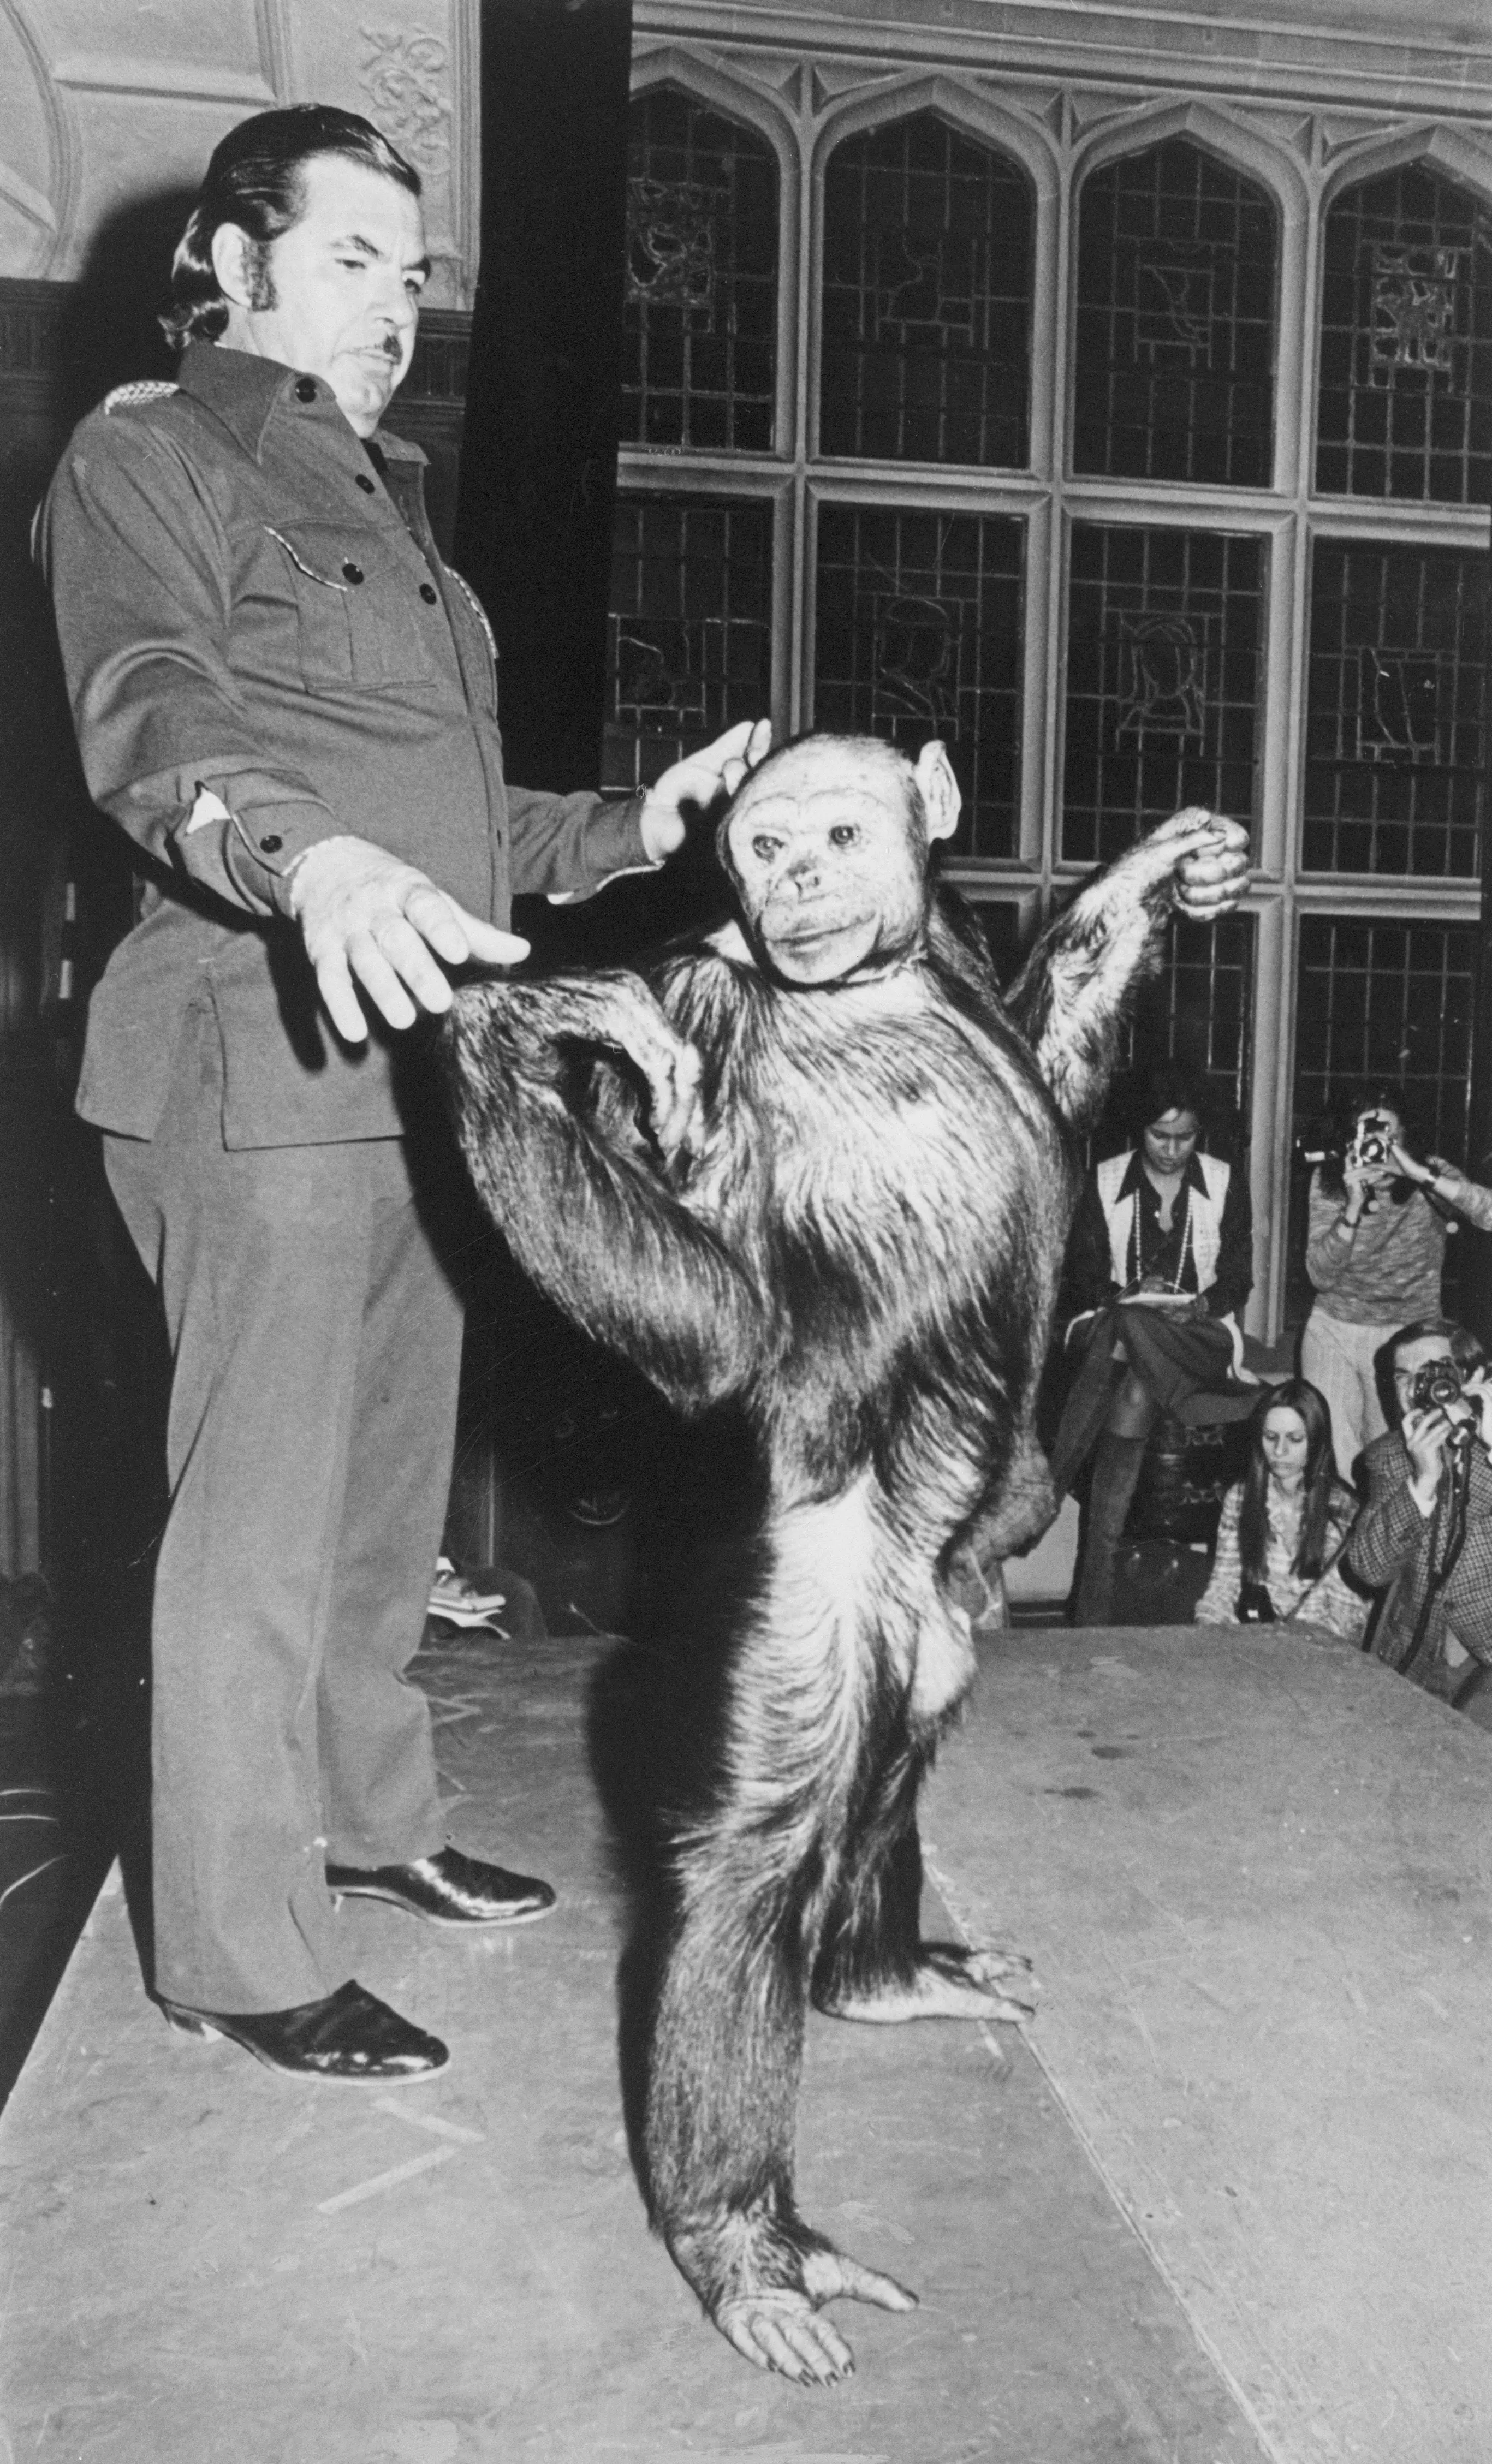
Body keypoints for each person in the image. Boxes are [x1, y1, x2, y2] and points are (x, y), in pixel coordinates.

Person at [37, 104, 769, 2084]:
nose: (393, 308)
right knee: (256, 1528)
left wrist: (641, 819)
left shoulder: (398, 511)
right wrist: (308, 863)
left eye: (410, 273)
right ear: (235, 255)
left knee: (380, 1520)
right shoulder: (149, 452)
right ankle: (237, 1948)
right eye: (353, 258)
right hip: (249, 1058)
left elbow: (455, 816)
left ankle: (373, 1826)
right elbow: (149, 718)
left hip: (417, 1078)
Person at [1049, 1061, 1256, 1624]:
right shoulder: (1105, 1177)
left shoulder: (1224, 1180)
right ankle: (1093, 1608)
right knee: (1131, 1353)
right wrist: (1133, 1290)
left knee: (1127, 1331)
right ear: (1138, 1130)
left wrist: (1200, 1304)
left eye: (1185, 1136)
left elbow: (1239, 1276)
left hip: (1199, 1335)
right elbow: (1086, 1278)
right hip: (1120, 1336)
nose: (1171, 1150)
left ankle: (1051, 1485)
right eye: (1159, 1136)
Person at [1300, 1089, 1453, 1482]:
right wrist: (1351, 1208)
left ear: (1406, 1139)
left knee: (1395, 1464)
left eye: (1388, 1138)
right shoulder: (1330, 1180)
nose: (1377, 1149)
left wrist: (1421, 1175)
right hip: (1336, 1328)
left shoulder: (1428, 1174)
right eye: (1368, 1136)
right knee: (1335, 1462)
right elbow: (1320, 1275)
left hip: (1407, 1335)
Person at [1345, 1319, 1492, 1709]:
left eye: (1432, 1372)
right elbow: (1368, 1568)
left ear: (1471, 1374)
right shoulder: (1387, 1457)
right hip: (1419, 1659)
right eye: (1402, 1376)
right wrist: (1423, 1480)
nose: (1415, 1389)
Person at [1192, 1378, 1367, 1641]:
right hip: (1254, 1640)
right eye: (1271, 1437)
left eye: (1295, 1439)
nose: (1280, 1451)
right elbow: (1223, 1586)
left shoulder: (1343, 1510)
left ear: (1317, 1441)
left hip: (1316, 1649)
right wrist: (1208, 1627)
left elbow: (1348, 1619)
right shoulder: (1240, 1497)